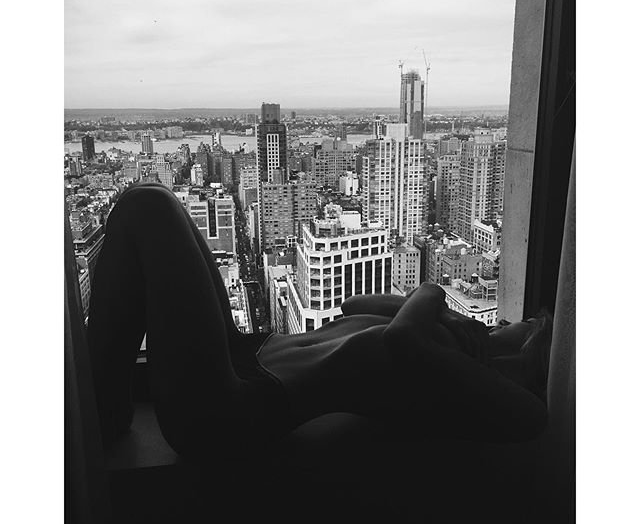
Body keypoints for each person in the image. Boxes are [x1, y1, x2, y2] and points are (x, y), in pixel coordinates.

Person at [87, 183, 551, 459]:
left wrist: (433, 294)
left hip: (229, 410)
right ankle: (104, 406)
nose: (511, 320)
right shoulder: (443, 336)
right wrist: (444, 314)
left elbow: (403, 342)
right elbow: (354, 304)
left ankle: (100, 413)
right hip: (242, 355)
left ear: (530, 348)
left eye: (527, 324)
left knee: (146, 207)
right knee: (155, 201)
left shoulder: (471, 375)